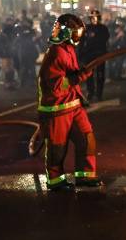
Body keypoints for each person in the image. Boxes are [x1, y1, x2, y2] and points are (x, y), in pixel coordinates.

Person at [37, 14, 101, 191]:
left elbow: (70, 73)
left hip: (73, 104)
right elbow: (54, 83)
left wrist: (80, 72)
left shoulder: (68, 49)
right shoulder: (55, 52)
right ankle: (55, 180)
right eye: (75, 33)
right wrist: (79, 76)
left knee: (86, 139)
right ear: (65, 33)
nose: (78, 36)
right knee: (57, 148)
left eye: (79, 33)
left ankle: (85, 176)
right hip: (56, 108)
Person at [81, 10, 111, 101]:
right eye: (92, 18)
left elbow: (105, 40)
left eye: (96, 17)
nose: (95, 19)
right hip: (89, 55)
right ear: (90, 19)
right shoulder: (86, 28)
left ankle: (99, 93)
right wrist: (81, 54)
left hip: (100, 54)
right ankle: (91, 92)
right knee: (89, 75)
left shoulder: (103, 28)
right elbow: (81, 42)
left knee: (100, 75)